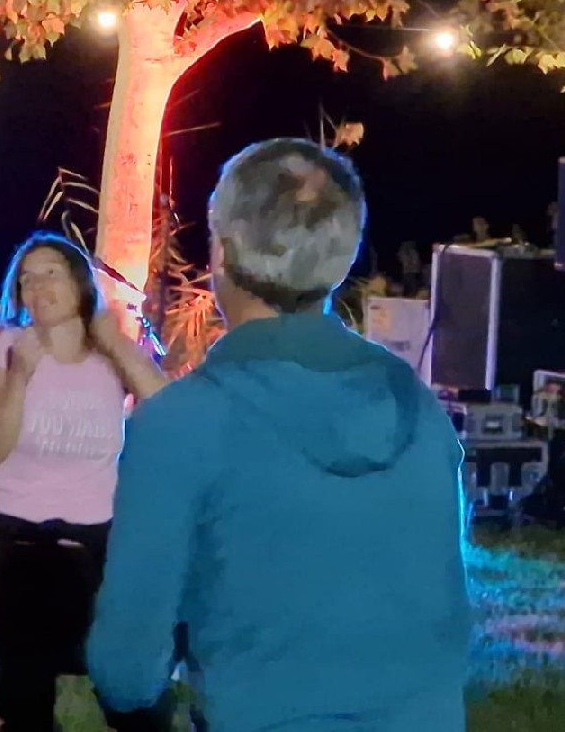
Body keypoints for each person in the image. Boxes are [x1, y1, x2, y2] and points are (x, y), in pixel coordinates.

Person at [86, 139, 472, 732]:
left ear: (222, 251)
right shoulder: (418, 406)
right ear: (342, 256)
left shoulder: (182, 423)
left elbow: (126, 672)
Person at [0, 232, 167, 732]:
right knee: (19, 697)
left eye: (50, 274)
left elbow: (168, 406)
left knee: (127, 689)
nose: (37, 287)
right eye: (26, 279)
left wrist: (115, 340)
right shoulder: (10, 348)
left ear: (80, 283)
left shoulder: (110, 356)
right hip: (18, 540)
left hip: (94, 543)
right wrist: (21, 377)